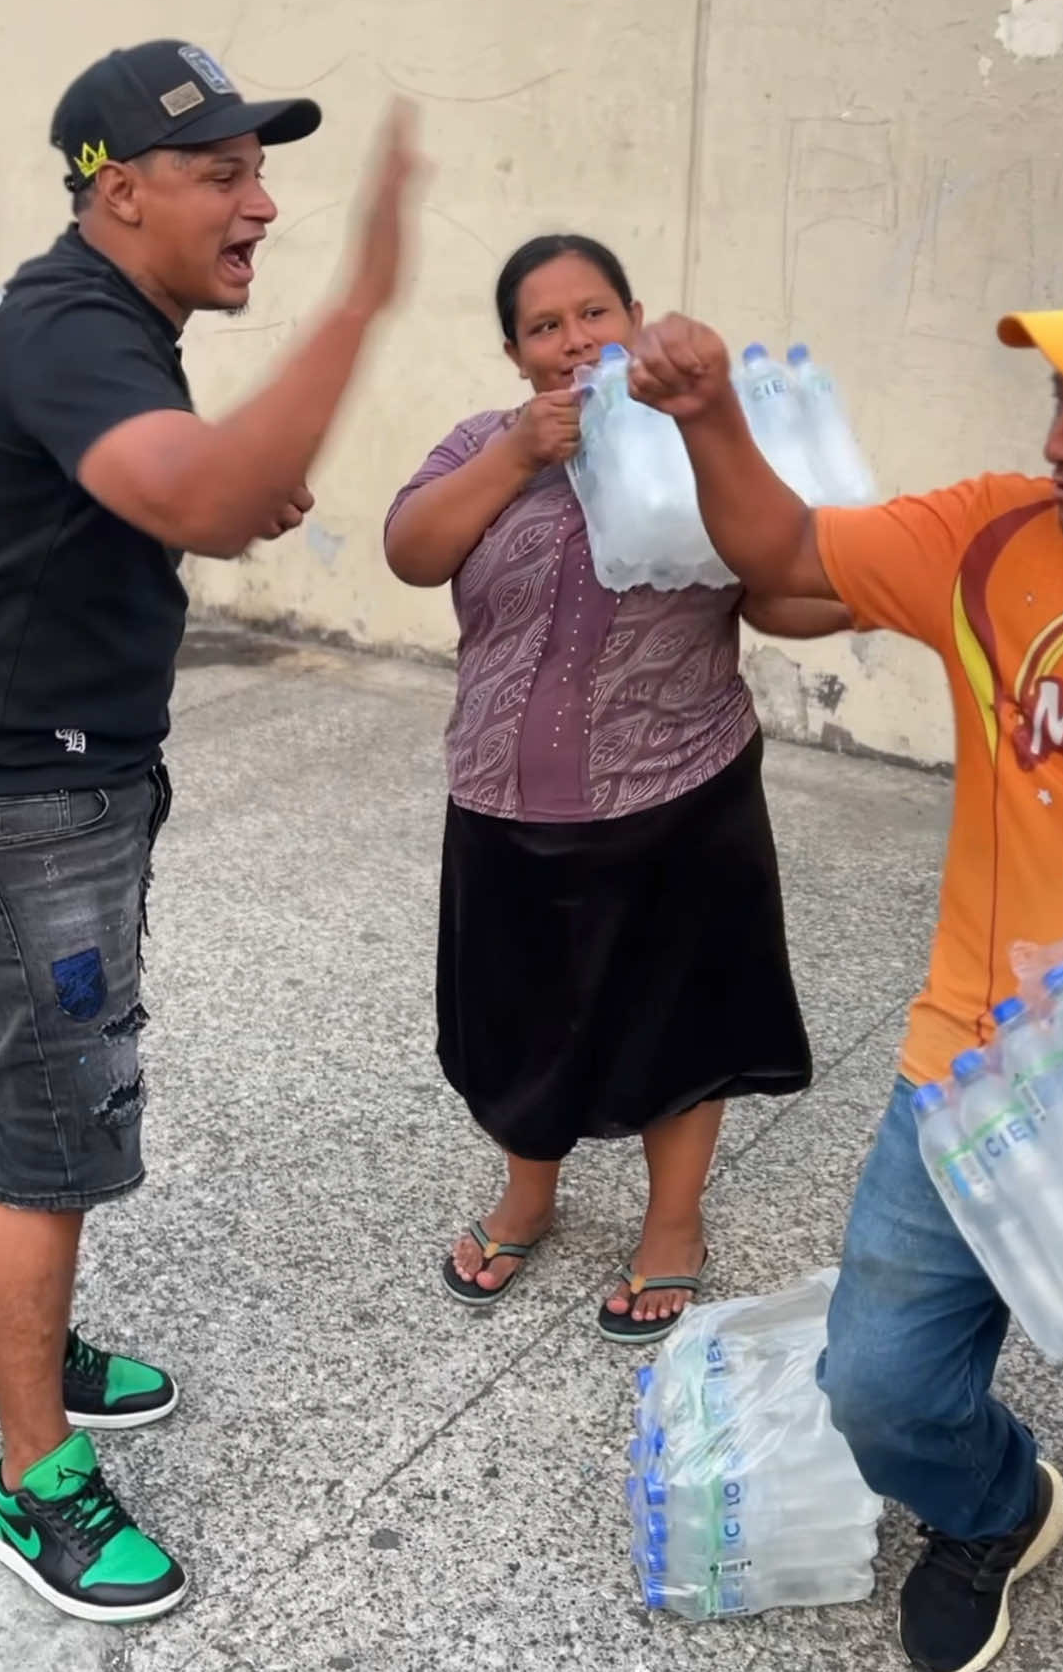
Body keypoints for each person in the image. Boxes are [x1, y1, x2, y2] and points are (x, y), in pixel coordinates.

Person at [627, 268, 1063, 1670]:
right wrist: (709, 412)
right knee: (879, 1390)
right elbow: (786, 549)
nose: (1058, 442)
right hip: (980, 1066)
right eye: (1060, 401)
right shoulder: (997, 536)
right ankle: (995, 1507)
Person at [0, 40, 418, 1622]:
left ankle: (0, 1348)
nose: (262, 204)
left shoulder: (82, 322)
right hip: (30, 800)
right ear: (119, 191)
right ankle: (34, 1478)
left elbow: (161, 489)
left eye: (260, 169)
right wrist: (364, 302)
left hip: (24, 777)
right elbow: (201, 494)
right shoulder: (72, 327)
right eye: (222, 172)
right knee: (57, 1127)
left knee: (7, 1073)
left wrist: (219, 484)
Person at [385, 234, 842, 1343]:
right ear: (514, 352)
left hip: (680, 792)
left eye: (594, 313)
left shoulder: (700, 443)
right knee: (515, 1020)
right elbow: (411, 548)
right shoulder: (480, 442)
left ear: (634, 320)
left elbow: (778, 590)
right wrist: (516, 458)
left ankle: (672, 1224)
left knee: (681, 1022)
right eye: (544, 326)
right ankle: (528, 1198)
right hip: (501, 796)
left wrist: (874, 579)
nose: (574, 340)